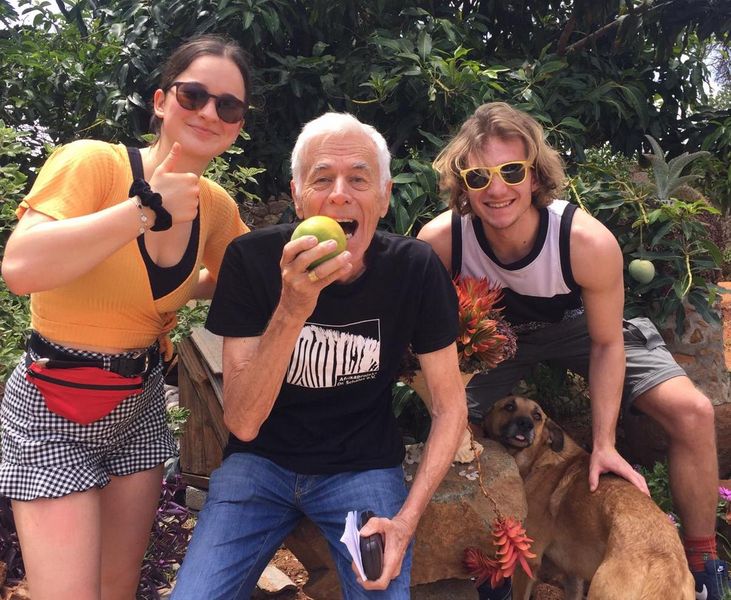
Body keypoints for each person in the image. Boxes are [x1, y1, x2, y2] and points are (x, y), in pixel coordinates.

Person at [418, 101, 727, 600]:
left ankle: (702, 566)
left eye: (511, 171)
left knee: (692, 412)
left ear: (535, 175)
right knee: (454, 433)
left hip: (581, 329)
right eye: (478, 177)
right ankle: (493, 566)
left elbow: (606, 343)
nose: (496, 189)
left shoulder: (584, 241)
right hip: (497, 339)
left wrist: (603, 444)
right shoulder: (441, 241)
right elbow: (427, 337)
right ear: (463, 185)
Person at [171, 112, 467, 599]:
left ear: (384, 196)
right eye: (322, 179)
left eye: (358, 180)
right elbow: (242, 422)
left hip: (362, 468)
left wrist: (405, 521)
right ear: (297, 195)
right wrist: (292, 307)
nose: (339, 195)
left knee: (381, 591)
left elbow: (449, 406)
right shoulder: (252, 260)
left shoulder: (414, 268)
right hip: (260, 463)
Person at [0, 34, 252, 600]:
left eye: (228, 106)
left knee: (117, 586)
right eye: (193, 95)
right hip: (53, 404)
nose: (209, 113)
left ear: (238, 126)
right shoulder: (94, 163)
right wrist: (144, 208)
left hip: (137, 406)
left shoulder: (215, 207)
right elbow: (20, 267)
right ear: (161, 101)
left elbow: (243, 280)